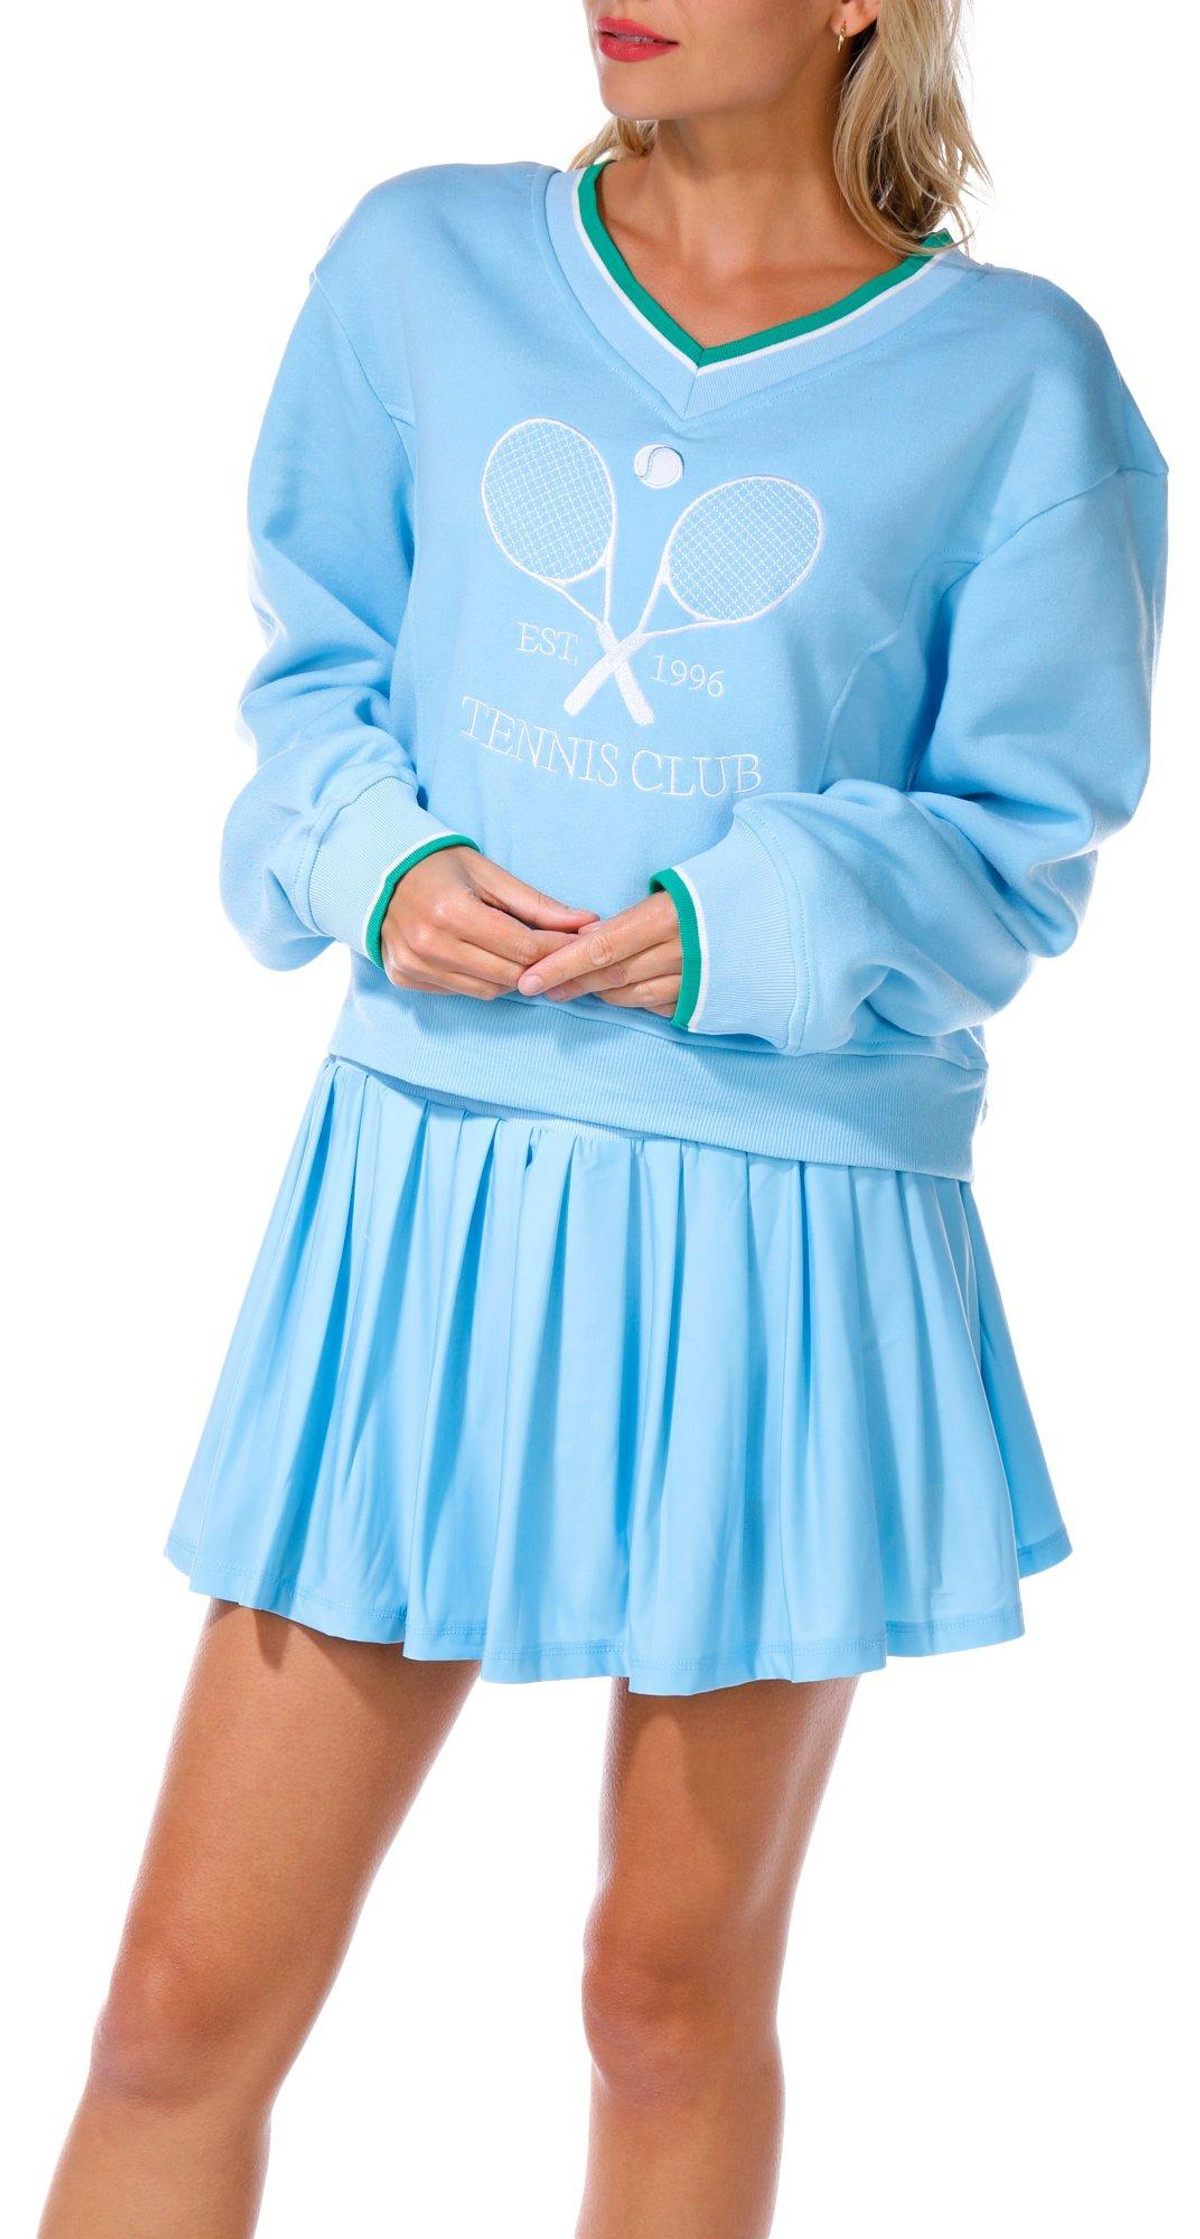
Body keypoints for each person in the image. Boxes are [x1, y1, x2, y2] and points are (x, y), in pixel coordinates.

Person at [38, 4, 1167, 2234]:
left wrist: (753, 916)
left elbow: (1025, 840)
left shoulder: (1018, 382)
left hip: (782, 1237)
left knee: (662, 1997)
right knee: (178, 2004)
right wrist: (373, 857)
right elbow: (312, 674)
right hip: (426, 1198)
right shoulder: (420, 267)